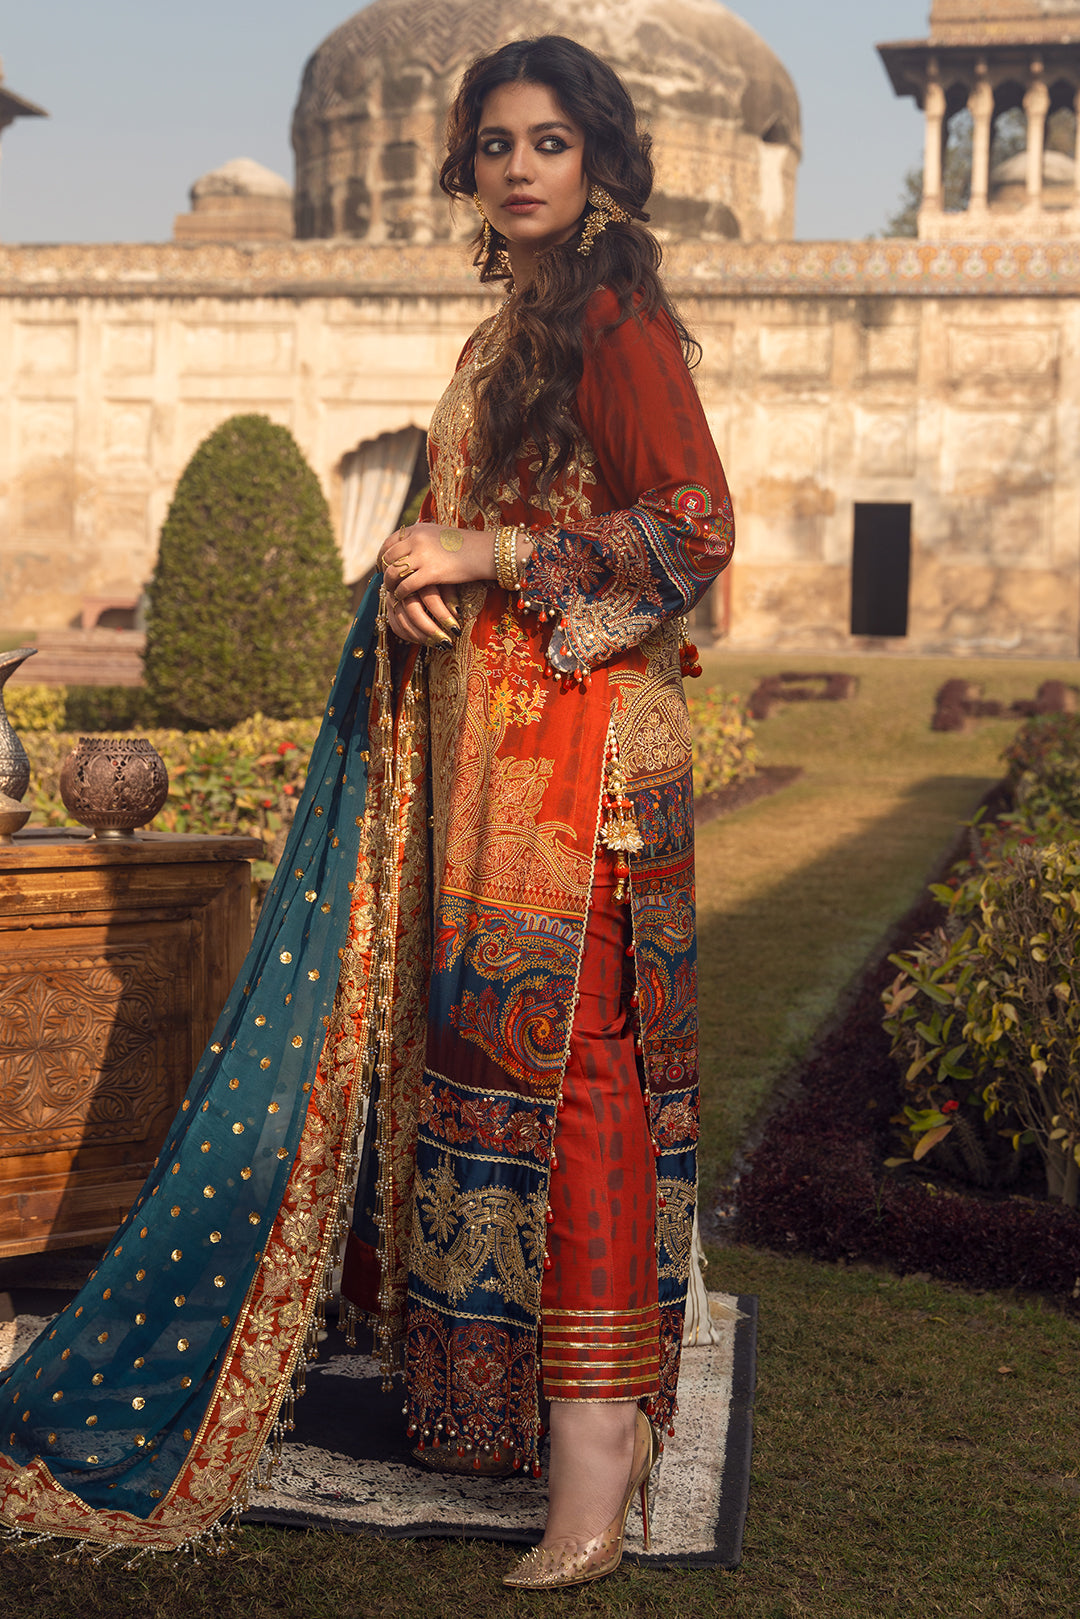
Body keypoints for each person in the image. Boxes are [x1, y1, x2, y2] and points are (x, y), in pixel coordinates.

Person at [0, 35, 732, 1590]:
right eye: (495, 143)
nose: (519, 166)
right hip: (491, 770)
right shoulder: (511, 328)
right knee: (484, 1080)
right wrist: (418, 589)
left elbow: (691, 530)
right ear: (462, 165)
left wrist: (481, 558)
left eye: (549, 140)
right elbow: (480, 527)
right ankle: (510, 1420)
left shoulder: (615, 311)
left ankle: (593, 1483)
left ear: (601, 156)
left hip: (583, 788)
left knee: (581, 1100)